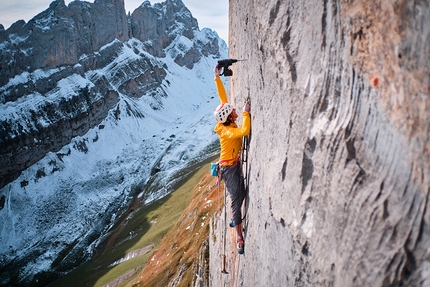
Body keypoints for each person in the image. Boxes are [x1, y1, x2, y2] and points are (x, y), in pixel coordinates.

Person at [213, 63, 251, 254]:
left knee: (243, 193)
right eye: (233, 110)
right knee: (236, 198)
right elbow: (245, 131)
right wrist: (246, 112)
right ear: (229, 117)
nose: (235, 109)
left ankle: (235, 219)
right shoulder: (228, 132)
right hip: (228, 169)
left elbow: (222, 98)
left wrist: (217, 77)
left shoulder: (227, 121)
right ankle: (239, 236)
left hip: (232, 164)